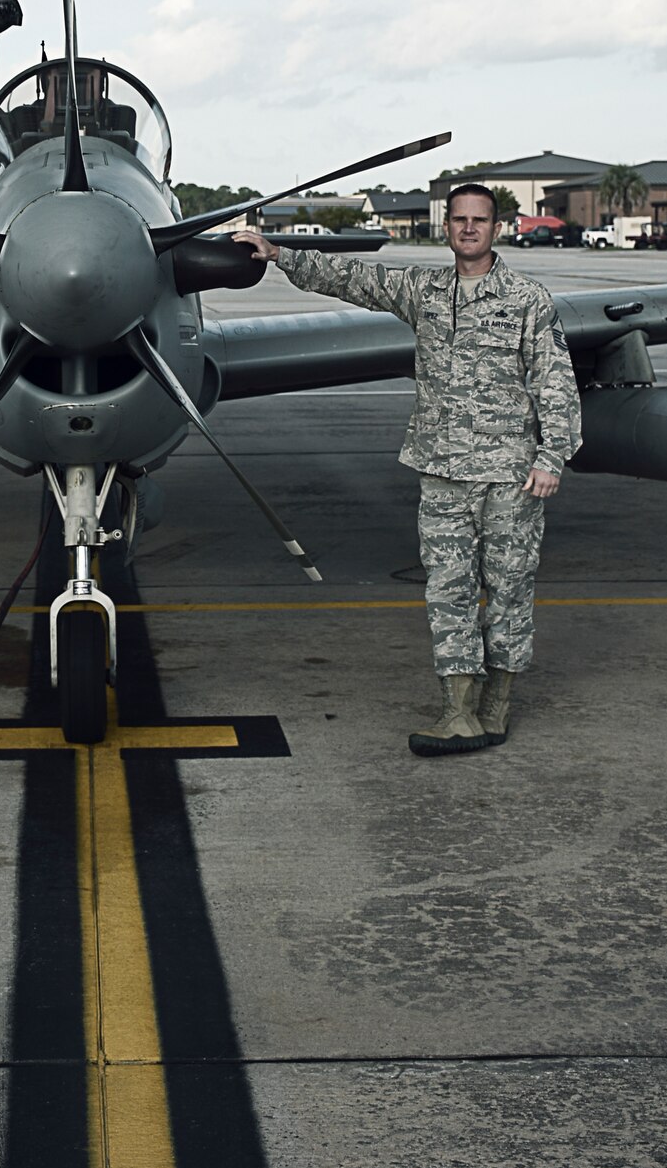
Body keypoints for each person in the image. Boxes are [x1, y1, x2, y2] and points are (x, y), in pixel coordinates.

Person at [235, 184, 581, 755]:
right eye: (459, 220)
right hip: (442, 469)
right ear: (446, 227)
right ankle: (459, 711)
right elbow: (351, 279)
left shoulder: (526, 298)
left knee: (510, 589)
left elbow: (555, 380)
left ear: (497, 228)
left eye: (479, 220)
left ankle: (498, 704)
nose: (469, 229)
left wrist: (552, 457)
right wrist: (280, 254)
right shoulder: (424, 289)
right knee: (448, 590)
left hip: (509, 475)